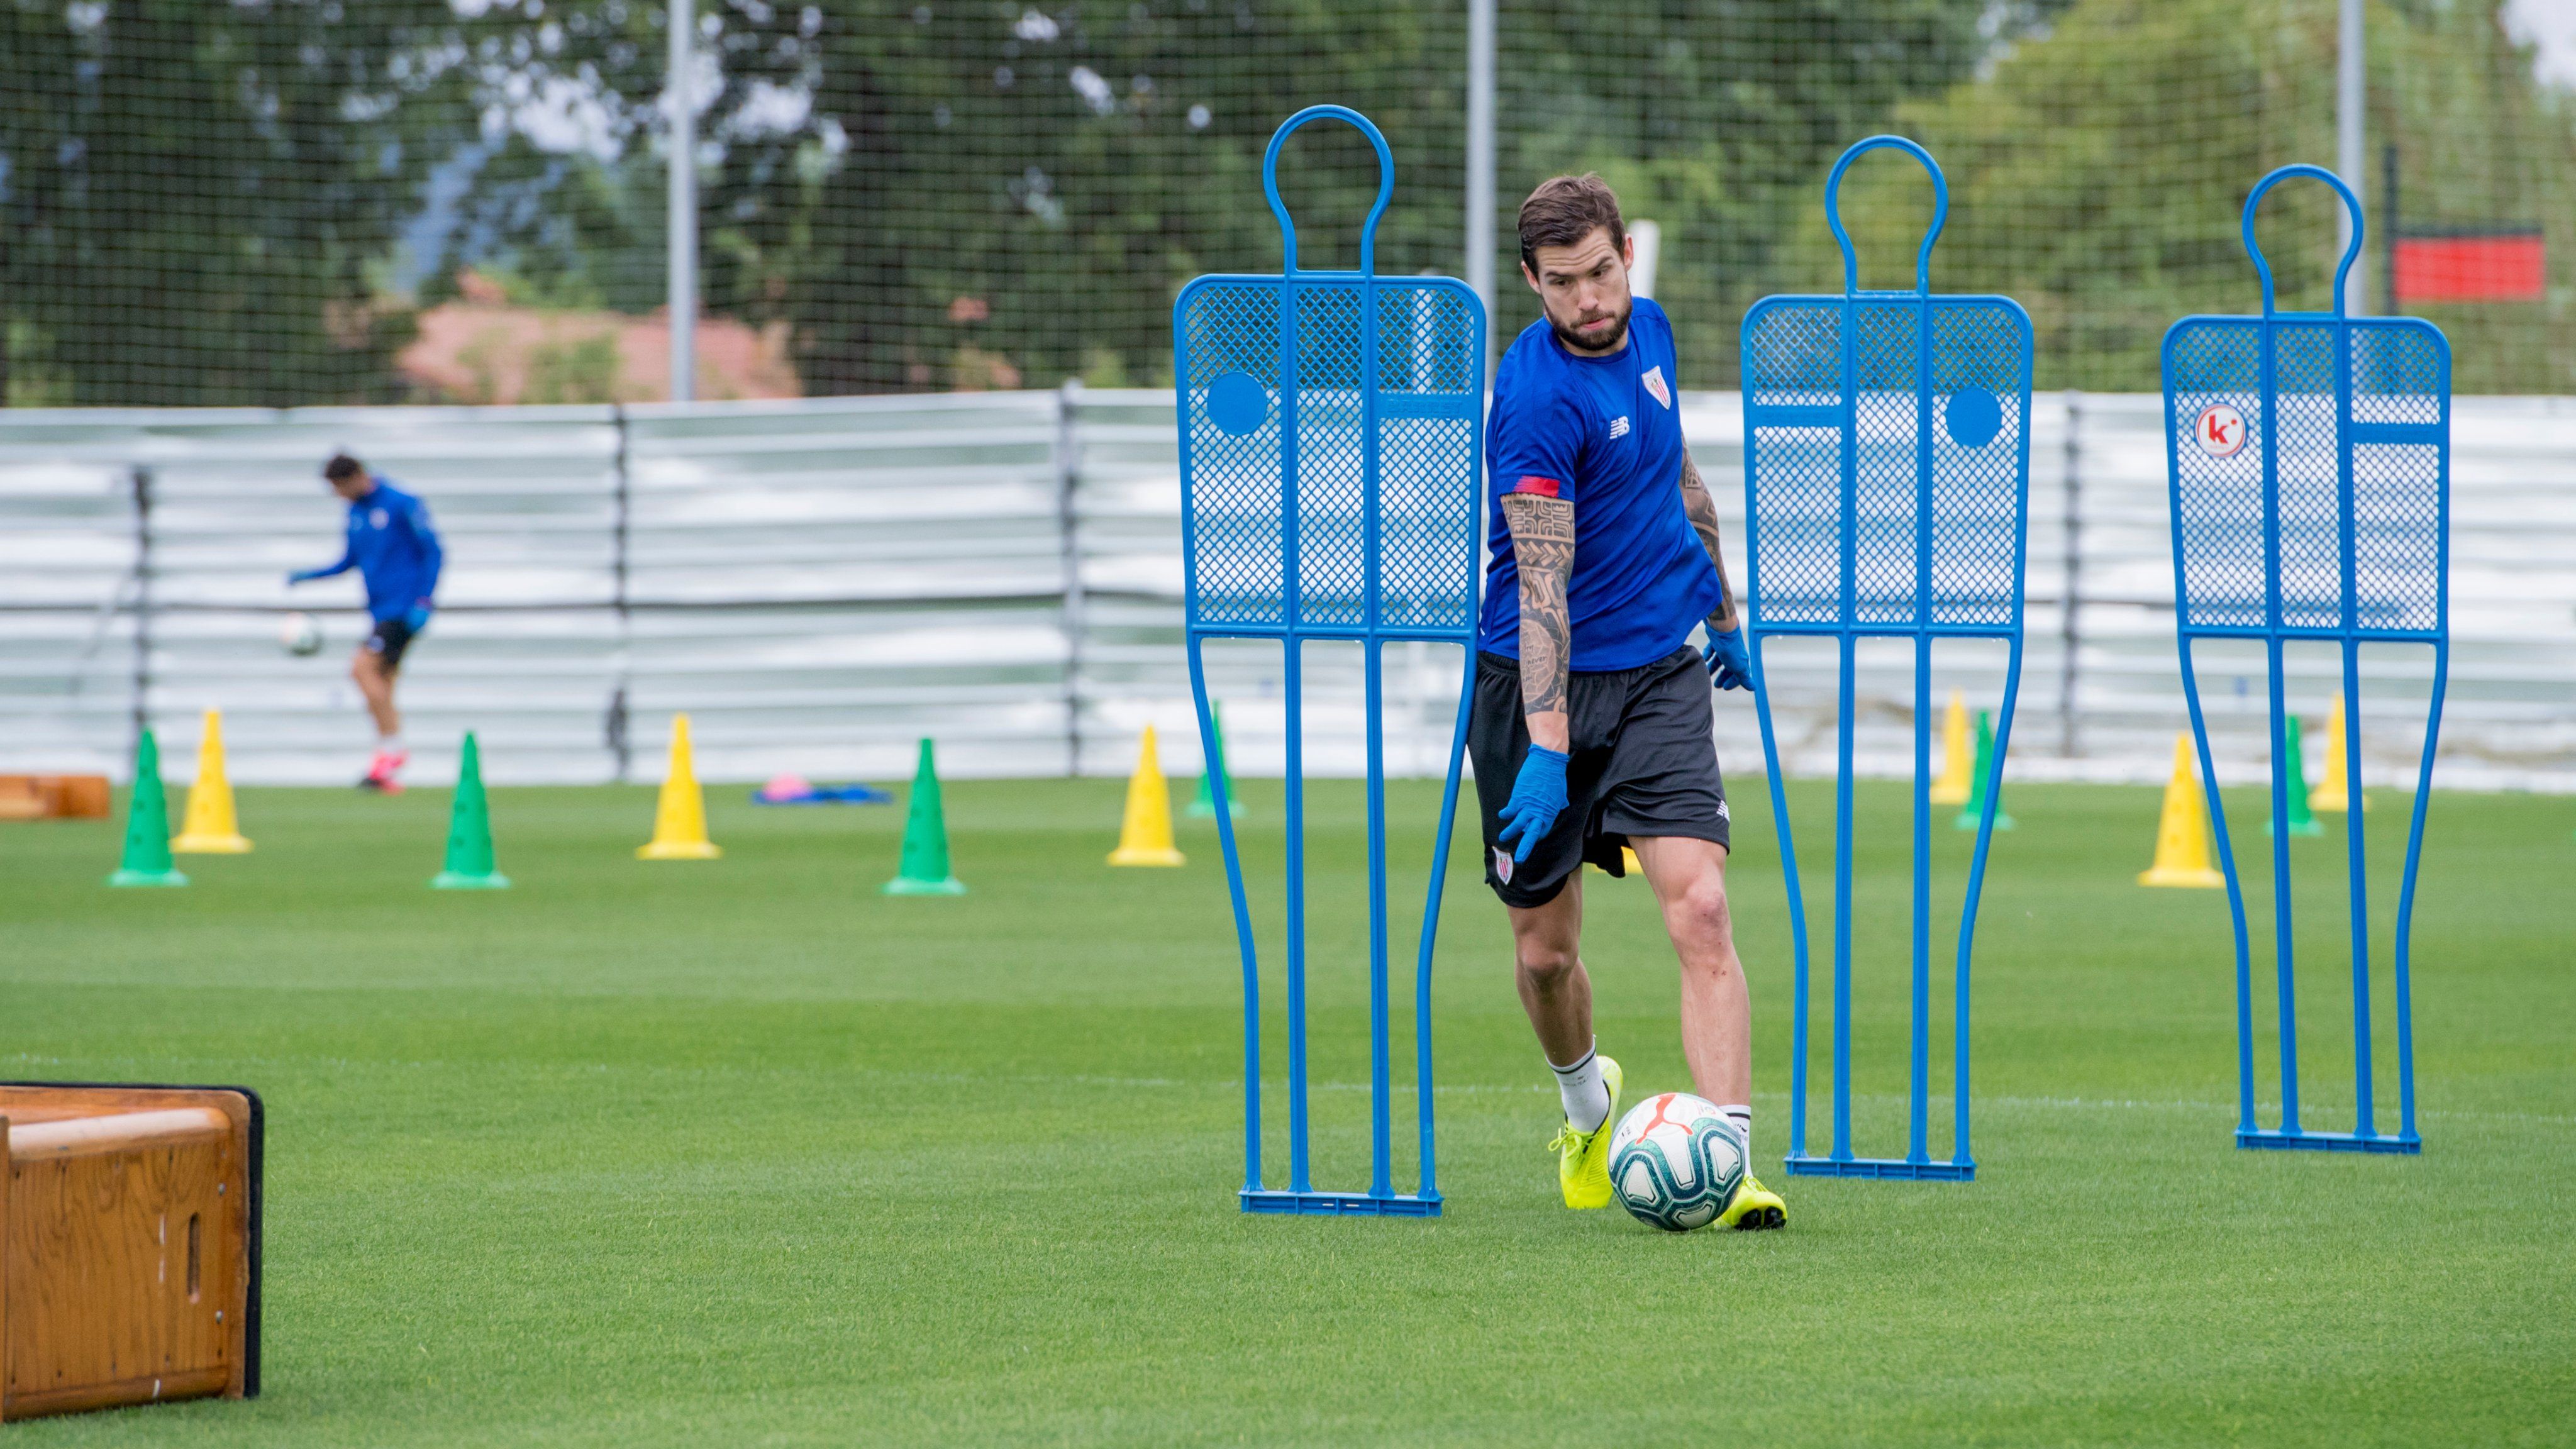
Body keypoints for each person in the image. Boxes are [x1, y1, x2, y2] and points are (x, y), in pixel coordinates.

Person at [1473, 174, 1784, 1230]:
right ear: (1533, 283)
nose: (1589, 297)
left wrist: (1722, 609)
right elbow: (1542, 582)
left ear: (1625, 261)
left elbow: (1674, 478)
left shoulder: (1649, 332)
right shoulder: (1531, 400)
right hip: (1537, 682)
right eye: (1562, 283)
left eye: (1602, 271)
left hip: (1657, 670)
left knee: (1699, 905)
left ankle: (1729, 1164)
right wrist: (1550, 747)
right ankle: (1583, 1102)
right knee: (1544, 952)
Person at [286, 453, 443, 793]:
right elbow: (348, 561)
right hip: (379, 609)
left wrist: (424, 600)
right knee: (383, 684)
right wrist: (311, 576)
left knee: (361, 669)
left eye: (338, 488)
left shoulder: (401, 503)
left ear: (356, 477)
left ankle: (394, 749)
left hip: (401, 609)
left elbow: (433, 551)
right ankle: (384, 767)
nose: (337, 495)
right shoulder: (355, 513)